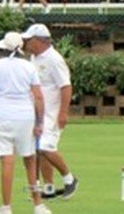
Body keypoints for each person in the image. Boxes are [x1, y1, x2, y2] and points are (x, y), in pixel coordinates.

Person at [0, 32, 51, 214]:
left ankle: (6, 207)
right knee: (30, 159)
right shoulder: (29, 67)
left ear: (3, 48)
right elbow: (39, 97)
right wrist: (40, 121)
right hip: (24, 117)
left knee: (7, 161)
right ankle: (38, 205)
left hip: (1, 116)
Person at [21, 24, 79, 200]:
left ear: (40, 41)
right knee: (40, 150)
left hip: (52, 114)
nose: (26, 43)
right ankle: (49, 188)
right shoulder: (34, 58)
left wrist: (63, 113)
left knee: (45, 147)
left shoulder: (54, 59)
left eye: (29, 40)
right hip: (38, 113)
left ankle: (70, 179)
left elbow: (66, 86)